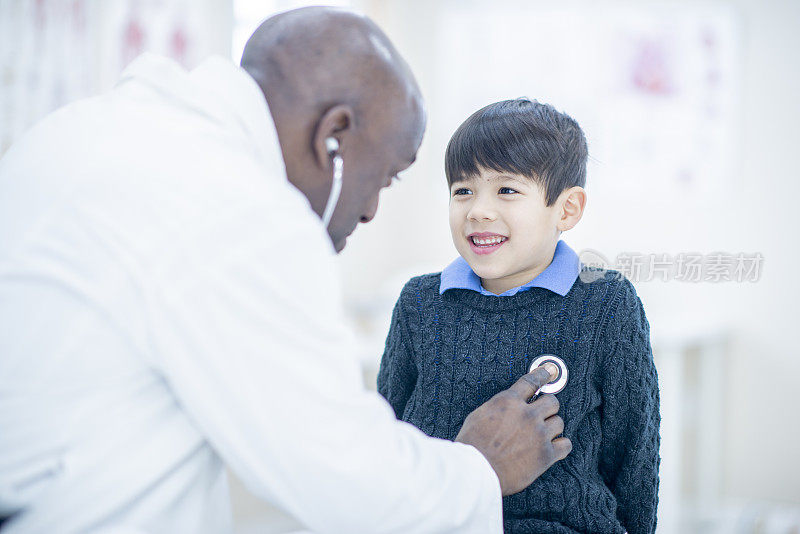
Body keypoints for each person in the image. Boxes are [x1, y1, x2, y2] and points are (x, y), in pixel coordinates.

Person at [0, 8, 572, 534]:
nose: (371, 208)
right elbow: (346, 482)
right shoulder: (237, 207)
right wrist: (481, 467)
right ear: (334, 137)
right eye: (385, 175)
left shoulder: (94, 129)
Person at [378, 98, 661, 534]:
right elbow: (390, 440)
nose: (478, 210)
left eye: (506, 190)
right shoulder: (420, 302)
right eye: (462, 190)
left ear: (566, 209)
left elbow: (634, 455)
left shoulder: (606, 303)